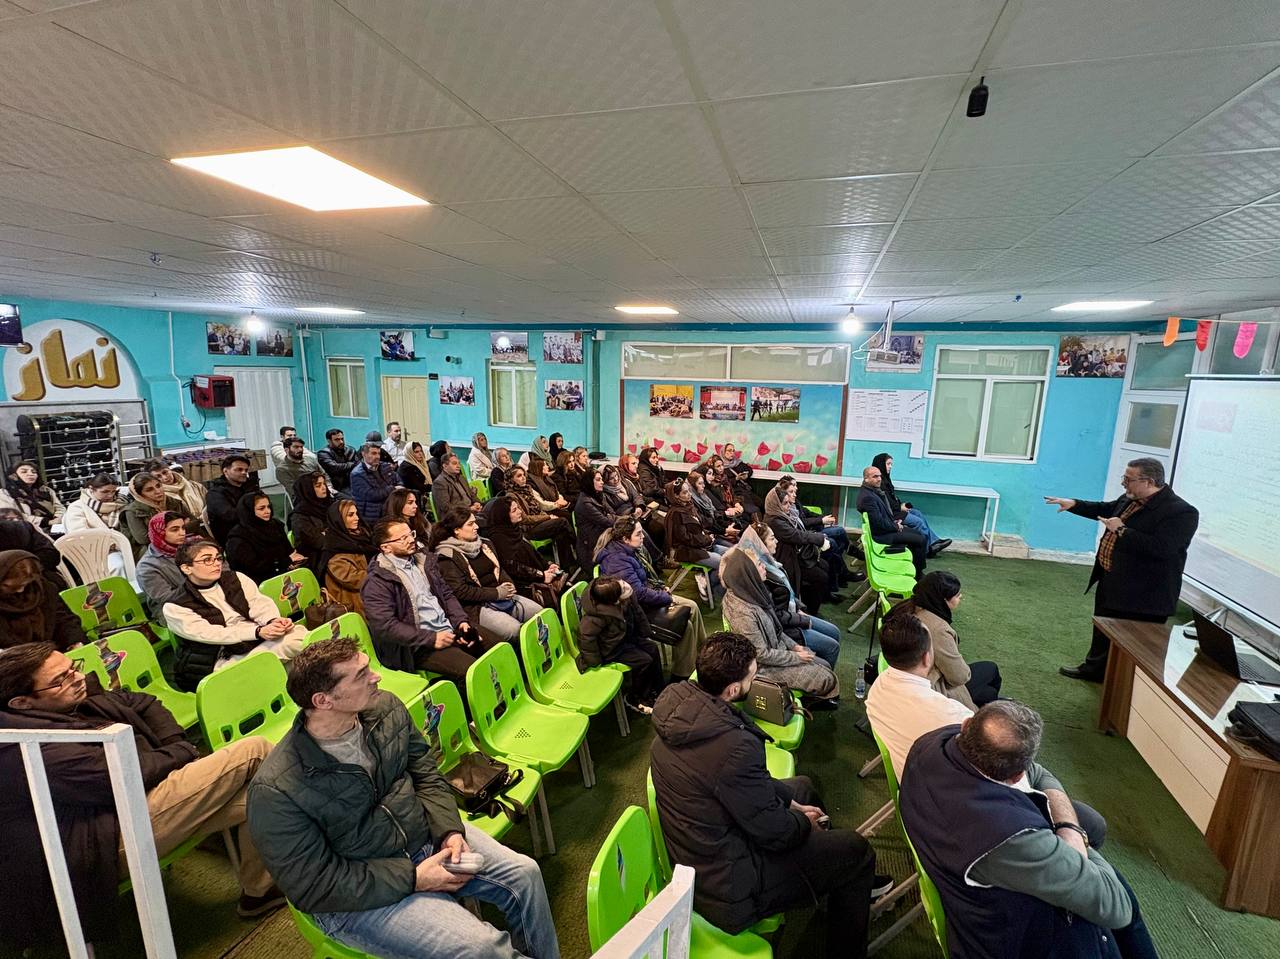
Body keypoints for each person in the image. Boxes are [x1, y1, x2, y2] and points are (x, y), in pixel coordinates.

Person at [245, 638, 560, 959]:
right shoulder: (275, 789)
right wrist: (415, 878)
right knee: (482, 949)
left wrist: (449, 830)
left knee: (525, 875)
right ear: (323, 700)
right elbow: (315, 885)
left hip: (425, 840)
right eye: (361, 675)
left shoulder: (386, 708)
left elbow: (426, 774)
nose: (376, 676)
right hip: (359, 896)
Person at [0, 643, 280, 950]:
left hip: (126, 803)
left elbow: (145, 702)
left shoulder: (68, 702)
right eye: (60, 679)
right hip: (97, 844)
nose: (76, 678)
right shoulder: (27, 748)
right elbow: (123, 774)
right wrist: (183, 752)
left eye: (73, 667)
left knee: (261, 794)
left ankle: (260, 892)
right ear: (22, 703)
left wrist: (173, 745)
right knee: (254, 751)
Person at [650, 633, 883, 958]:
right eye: (752, 674)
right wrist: (802, 822)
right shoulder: (733, 746)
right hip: (730, 890)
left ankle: (830, 872)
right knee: (857, 851)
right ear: (733, 690)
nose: (756, 677)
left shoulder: (681, 715)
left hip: (705, 855)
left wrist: (793, 804)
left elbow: (741, 784)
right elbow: (775, 833)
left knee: (802, 787)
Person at [899, 701, 1155, 959]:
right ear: (1016, 777)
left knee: (1091, 830)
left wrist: (1068, 829)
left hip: (970, 890)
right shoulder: (1008, 837)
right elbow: (1118, 907)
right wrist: (1075, 839)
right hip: (1007, 937)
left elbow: (1039, 773)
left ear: (966, 726)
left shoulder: (933, 743)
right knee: (1123, 901)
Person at [1046, 457, 1199, 682]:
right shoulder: (1130, 498)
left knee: (1136, 643)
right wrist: (1074, 504)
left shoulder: (1181, 512)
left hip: (1145, 593)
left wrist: (1122, 531)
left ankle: (1130, 685)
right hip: (1113, 578)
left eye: (1129, 479)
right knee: (1103, 628)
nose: (1123, 483)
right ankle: (1094, 670)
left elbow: (1162, 548)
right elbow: (1106, 509)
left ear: (1148, 482)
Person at [361, 519, 500, 681]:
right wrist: (430, 638)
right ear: (386, 547)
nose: (411, 540)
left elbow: (446, 594)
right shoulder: (377, 581)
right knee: (472, 672)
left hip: (448, 628)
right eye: (403, 538)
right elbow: (385, 625)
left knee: (498, 648)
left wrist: (460, 622)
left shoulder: (422, 560)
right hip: (418, 645)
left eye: (411, 534)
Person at [163, 541, 304, 691]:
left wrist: (273, 621)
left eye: (218, 558)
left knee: (297, 635)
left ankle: (295, 691)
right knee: (291, 645)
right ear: (186, 568)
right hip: (218, 658)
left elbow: (259, 604)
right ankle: (293, 691)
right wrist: (257, 632)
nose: (216, 563)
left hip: (253, 642)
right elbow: (213, 634)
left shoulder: (236, 578)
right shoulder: (175, 606)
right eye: (207, 560)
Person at [720, 548, 839, 704]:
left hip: (777, 651)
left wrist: (795, 646)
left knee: (824, 666)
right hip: (762, 667)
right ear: (749, 574)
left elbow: (776, 629)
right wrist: (796, 656)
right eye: (759, 564)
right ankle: (809, 701)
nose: (764, 566)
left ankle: (812, 697)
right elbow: (760, 654)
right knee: (825, 676)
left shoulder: (753, 593)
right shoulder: (742, 613)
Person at [596, 517, 704, 681]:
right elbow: (637, 594)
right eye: (638, 534)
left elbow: (643, 580)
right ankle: (681, 675)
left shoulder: (628, 550)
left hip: (645, 600)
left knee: (692, 606)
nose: (643, 537)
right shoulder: (616, 561)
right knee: (686, 627)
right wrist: (664, 597)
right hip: (635, 611)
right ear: (625, 538)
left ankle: (703, 653)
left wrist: (660, 588)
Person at [884, 571, 1000, 708]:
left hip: (906, 680)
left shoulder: (907, 608)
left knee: (988, 692)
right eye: (956, 595)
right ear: (943, 600)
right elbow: (958, 676)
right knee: (991, 673)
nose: (961, 596)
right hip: (932, 688)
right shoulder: (938, 630)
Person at [736, 522, 842, 669]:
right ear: (761, 545)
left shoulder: (771, 563)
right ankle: (822, 671)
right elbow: (776, 618)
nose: (776, 541)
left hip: (791, 615)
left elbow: (787, 595)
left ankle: (820, 665)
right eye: (772, 538)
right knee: (832, 647)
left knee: (835, 632)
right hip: (787, 627)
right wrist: (803, 620)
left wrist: (798, 608)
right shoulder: (761, 575)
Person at [430, 507, 542, 642]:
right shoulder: (446, 556)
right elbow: (461, 591)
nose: (476, 527)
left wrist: (507, 583)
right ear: (457, 530)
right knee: (514, 631)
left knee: (539, 613)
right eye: (470, 524)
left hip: (502, 596)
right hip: (477, 606)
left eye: (475, 522)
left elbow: (499, 568)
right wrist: (496, 593)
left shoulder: (485, 544)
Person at [578, 576, 663, 714]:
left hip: (626, 638)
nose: (626, 586)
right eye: (622, 588)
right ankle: (636, 697)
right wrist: (594, 661)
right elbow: (586, 637)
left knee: (652, 648)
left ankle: (659, 689)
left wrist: (645, 632)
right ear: (614, 599)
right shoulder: (596, 616)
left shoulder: (624, 598)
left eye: (622, 582)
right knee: (644, 661)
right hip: (611, 649)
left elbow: (638, 613)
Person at [765, 483, 838, 611]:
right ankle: (811, 611)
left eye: (789, 502)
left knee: (825, 566)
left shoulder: (783, 515)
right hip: (787, 560)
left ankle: (813, 603)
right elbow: (797, 535)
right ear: (776, 504)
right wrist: (820, 539)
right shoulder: (775, 521)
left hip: (795, 554)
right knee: (821, 577)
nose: (789, 506)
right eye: (785, 503)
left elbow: (799, 533)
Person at [0, 550, 87, 651]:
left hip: (54, 649)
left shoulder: (42, 588)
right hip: (18, 655)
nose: (20, 590)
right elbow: (5, 643)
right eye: (10, 587)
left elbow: (63, 619)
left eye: (24, 584)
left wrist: (75, 642)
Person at [485, 496, 564, 607]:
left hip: (537, 575)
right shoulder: (498, 539)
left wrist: (547, 565)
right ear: (504, 516)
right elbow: (514, 568)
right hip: (524, 586)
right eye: (514, 510)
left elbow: (531, 552)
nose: (520, 512)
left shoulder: (515, 529)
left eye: (518, 508)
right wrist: (541, 576)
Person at [870, 453, 950, 558]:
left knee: (917, 513)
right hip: (891, 514)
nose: (890, 467)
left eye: (891, 464)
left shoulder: (885, 480)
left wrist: (901, 505)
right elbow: (886, 504)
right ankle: (926, 550)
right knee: (918, 522)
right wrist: (900, 507)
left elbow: (891, 499)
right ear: (880, 464)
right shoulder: (879, 483)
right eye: (888, 464)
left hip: (895, 510)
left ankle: (933, 542)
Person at [856, 465, 926, 577]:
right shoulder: (868, 498)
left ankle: (915, 570)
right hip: (881, 535)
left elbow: (881, 518)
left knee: (918, 534)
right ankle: (918, 575)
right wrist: (896, 526)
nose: (879, 479)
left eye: (880, 476)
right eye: (875, 476)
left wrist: (894, 523)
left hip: (885, 530)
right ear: (866, 479)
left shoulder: (871, 492)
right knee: (920, 539)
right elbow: (878, 523)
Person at [664, 479, 725, 604]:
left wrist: (708, 536)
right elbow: (686, 539)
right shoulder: (675, 514)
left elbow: (700, 527)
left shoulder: (689, 506)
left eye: (689, 491)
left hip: (700, 545)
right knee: (723, 562)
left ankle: (705, 580)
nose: (689, 494)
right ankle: (709, 587)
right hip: (687, 551)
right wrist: (706, 539)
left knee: (729, 553)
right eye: (685, 492)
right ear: (676, 496)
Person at [503, 466, 576, 568]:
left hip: (539, 522)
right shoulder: (511, 496)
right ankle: (578, 545)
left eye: (524, 475)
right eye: (519, 476)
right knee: (562, 521)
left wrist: (547, 516)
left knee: (561, 533)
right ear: (511, 480)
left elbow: (538, 508)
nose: (523, 478)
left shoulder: (527, 489)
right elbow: (525, 519)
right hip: (529, 528)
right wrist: (547, 517)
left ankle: (567, 565)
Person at [225, 492, 303, 584]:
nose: (268, 511)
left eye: (269, 507)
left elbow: (288, 551)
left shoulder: (275, 525)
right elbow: (254, 567)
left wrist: (292, 562)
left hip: (283, 574)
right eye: (261, 508)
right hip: (257, 583)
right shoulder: (238, 538)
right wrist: (286, 561)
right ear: (249, 511)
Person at [321, 499, 377, 614]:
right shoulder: (334, 551)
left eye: (356, 514)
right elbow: (355, 580)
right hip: (356, 600)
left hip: (371, 589)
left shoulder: (361, 536)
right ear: (339, 519)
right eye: (350, 515)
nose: (357, 518)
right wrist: (383, 572)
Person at [135, 512, 191, 623]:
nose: (182, 533)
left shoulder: (194, 546)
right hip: (173, 610)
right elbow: (167, 599)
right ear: (160, 532)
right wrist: (203, 587)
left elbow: (223, 570)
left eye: (183, 528)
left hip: (208, 596)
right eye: (174, 530)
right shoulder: (147, 567)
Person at [123, 471, 193, 559]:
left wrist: (168, 530)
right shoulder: (132, 511)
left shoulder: (173, 501)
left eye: (158, 486)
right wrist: (180, 526)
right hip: (150, 550)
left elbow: (194, 522)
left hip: (180, 542)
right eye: (149, 490)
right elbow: (143, 539)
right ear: (139, 494)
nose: (157, 491)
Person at [206, 453, 260, 545]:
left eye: (246, 470)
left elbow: (265, 505)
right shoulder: (215, 494)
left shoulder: (250, 486)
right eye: (239, 469)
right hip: (232, 537)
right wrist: (256, 512)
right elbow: (230, 516)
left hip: (252, 529)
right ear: (225, 471)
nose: (244, 472)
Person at [573, 469, 620, 570]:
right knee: (629, 535)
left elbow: (612, 512)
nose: (602, 482)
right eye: (598, 480)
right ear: (590, 482)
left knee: (635, 529)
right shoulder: (585, 503)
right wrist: (611, 517)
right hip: (592, 542)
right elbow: (606, 522)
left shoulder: (598, 495)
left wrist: (611, 516)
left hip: (602, 532)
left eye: (601, 479)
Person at [142, 458, 209, 528]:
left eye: (165, 472)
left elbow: (210, 504)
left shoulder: (195, 486)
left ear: (170, 470)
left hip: (208, 524)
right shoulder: (159, 497)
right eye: (158, 476)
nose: (165, 477)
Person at [0, 461, 63, 533]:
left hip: (55, 527)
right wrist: (46, 522)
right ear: (13, 476)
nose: (30, 474)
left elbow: (59, 507)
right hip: (24, 531)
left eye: (34, 472)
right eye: (24, 472)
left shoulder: (46, 490)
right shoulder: (4, 494)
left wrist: (57, 518)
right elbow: (9, 515)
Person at [289, 471, 332, 575]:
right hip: (316, 560)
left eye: (324, 484)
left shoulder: (329, 504)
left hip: (333, 551)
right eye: (318, 485)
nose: (324, 488)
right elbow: (320, 542)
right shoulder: (299, 516)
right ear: (307, 490)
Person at [350, 442, 400, 523]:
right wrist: (393, 488)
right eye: (373, 453)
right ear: (364, 454)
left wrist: (400, 486)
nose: (377, 457)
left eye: (378, 453)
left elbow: (398, 479)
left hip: (389, 504)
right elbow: (373, 495)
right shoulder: (357, 474)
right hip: (372, 513)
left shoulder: (384, 466)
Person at [432, 453, 483, 525]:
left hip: (471, 510)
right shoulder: (439, 482)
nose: (458, 466)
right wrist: (469, 509)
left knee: (495, 502)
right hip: (456, 516)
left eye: (459, 463)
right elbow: (446, 507)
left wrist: (477, 503)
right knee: (488, 520)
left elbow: (472, 495)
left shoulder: (461, 478)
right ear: (445, 465)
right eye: (454, 463)